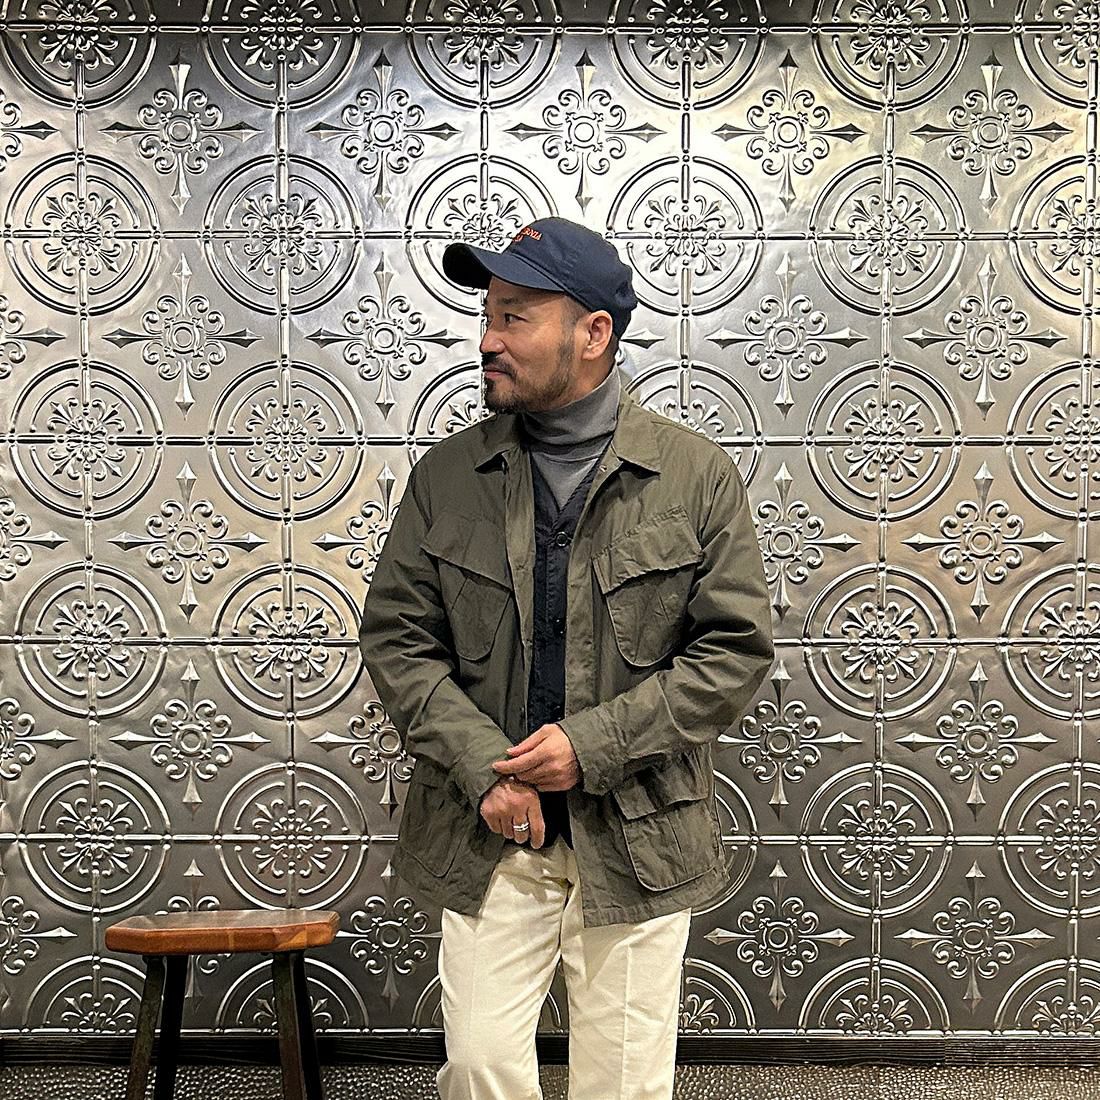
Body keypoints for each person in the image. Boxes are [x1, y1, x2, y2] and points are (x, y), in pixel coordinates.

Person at [359, 216, 774, 1100]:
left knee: (621, 1084)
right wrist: (485, 766)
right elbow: (399, 640)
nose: (488, 340)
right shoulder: (447, 477)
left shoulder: (694, 476)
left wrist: (591, 746)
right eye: (488, 316)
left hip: (639, 831)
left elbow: (732, 655)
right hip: (491, 826)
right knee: (478, 1064)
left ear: (593, 333)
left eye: (514, 316)